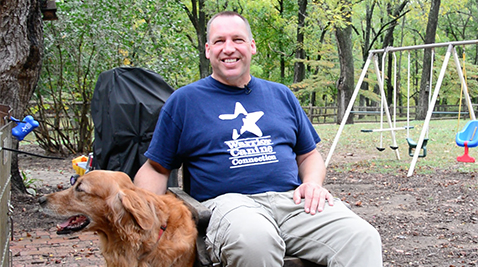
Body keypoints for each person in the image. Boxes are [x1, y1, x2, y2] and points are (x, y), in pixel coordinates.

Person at [135, 11, 382, 267]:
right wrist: (144, 218)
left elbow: (308, 155)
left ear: (252, 46)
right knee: (255, 241)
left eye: (237, 40)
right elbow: (156, 167)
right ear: (208, 50)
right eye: (219, 41)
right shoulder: (185, 101)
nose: (228, 48)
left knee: (362, 237)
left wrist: (312, 183)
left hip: (293, 202)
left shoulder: (281, 95)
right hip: (230, 206)